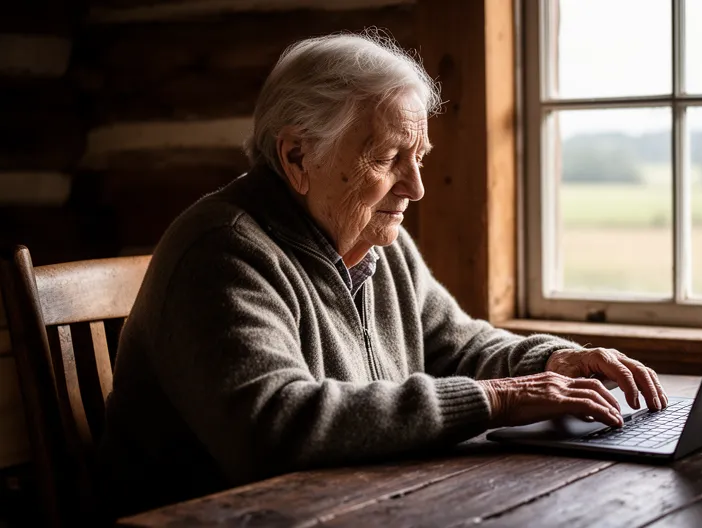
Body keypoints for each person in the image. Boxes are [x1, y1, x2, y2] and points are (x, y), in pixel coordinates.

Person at [98, 31, 668, 516]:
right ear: (297, 157)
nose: (415, 187)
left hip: (354, 508)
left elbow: (459, 345)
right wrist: (495, 399)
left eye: (419, 157)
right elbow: (276, 426)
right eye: (389, 158)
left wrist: (551, 361)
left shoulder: (373, 237)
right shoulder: (222, 252)